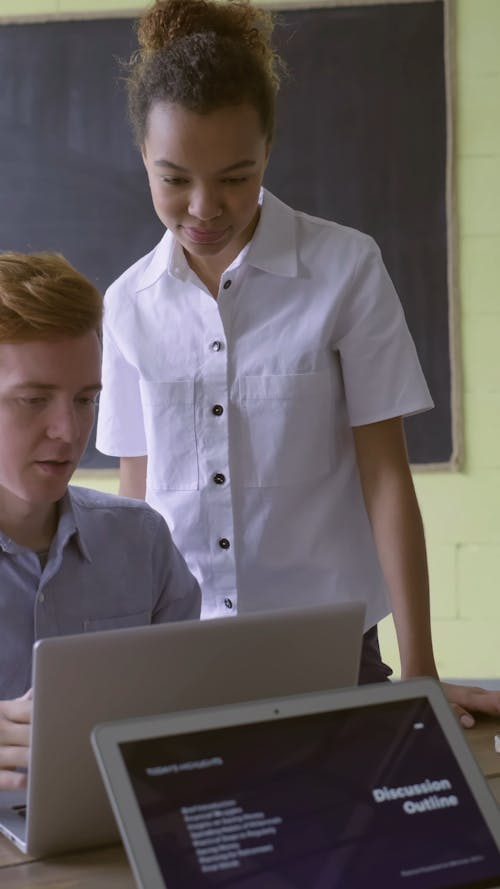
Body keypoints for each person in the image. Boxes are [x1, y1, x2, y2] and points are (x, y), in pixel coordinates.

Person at [96, 0, 499, 723]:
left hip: (332, 653)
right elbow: (137, 500)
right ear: (143, 159)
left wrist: (424, 667)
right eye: (174, 178)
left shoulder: (346, 268)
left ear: (270, 153)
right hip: (179, 654)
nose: (204, 206)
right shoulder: (127, 304)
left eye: (235, 176)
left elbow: (385, 477)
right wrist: (118, 670)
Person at [0, 251, 200, 790]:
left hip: (115, 841)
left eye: (85, 400)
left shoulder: (141, 540)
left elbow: (186, 719)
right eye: (34, 400)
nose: (68, 431)